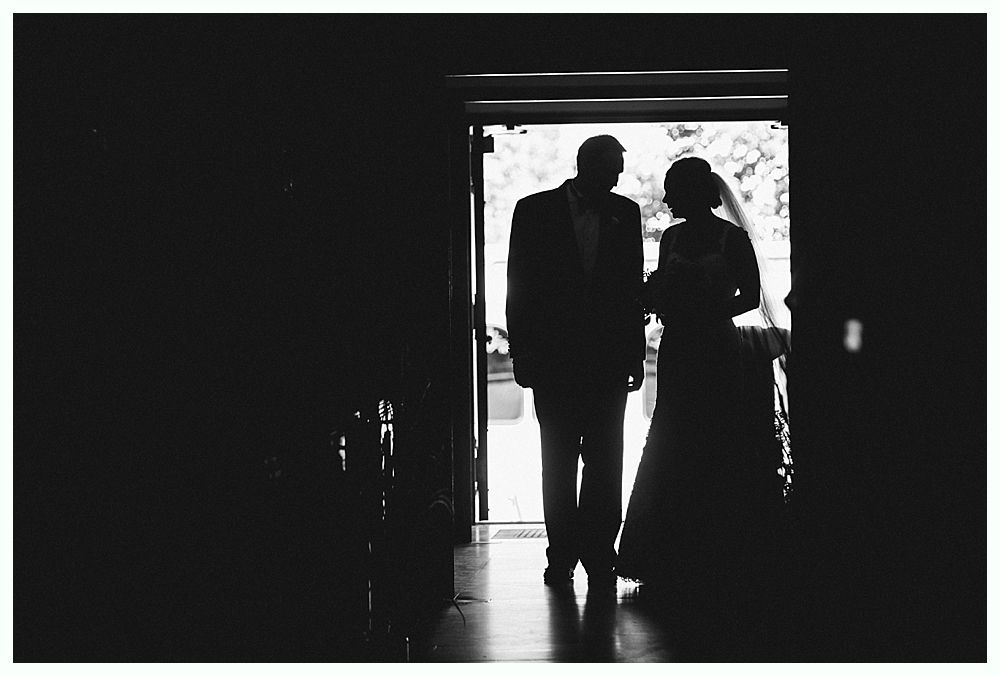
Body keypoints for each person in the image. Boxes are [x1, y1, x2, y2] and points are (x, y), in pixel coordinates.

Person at [616, 157, 768, 602]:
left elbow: (751, 297)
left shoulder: (732, 238)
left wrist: (707, 312)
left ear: (695, 193)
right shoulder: (672, 238)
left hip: (717, 347)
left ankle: (719, 549)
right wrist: (660, 298)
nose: (666, 200)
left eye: (672, 190)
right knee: (672, 436)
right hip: (679, 347)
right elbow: (659, 286)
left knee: (717, 436)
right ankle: (670, 548)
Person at [506, 135, 646, 588]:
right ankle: (562, 554)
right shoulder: (533, 210)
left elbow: (630, 291)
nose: (616, 180)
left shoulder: (627, 213)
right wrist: (521, 352)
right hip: (552, 360)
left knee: (607, 462)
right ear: (585, 165)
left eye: (618, 173)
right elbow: (518, 286)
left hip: (607, 359)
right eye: (610, 171)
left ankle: (600, 554)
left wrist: (635, 353)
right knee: (558, 462)